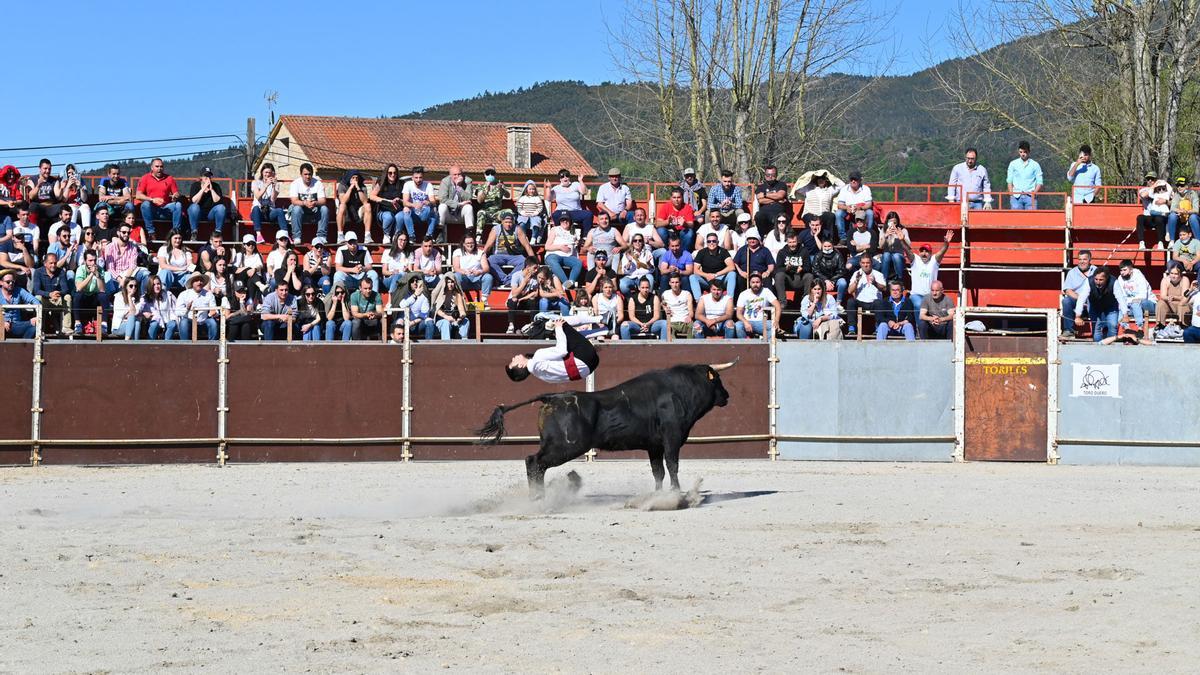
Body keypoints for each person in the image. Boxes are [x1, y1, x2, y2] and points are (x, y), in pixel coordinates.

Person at [505, 313, 603, 383]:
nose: (513, 358)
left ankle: (605, 330)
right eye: (513, 361)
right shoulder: (538, 357)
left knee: (568, 334)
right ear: (521, 365)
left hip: (590, 367)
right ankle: (600, 319)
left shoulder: (540, 375)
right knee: (558, 321)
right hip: (584, 357)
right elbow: (562, 350)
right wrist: (558, 327)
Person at [905, 230, 954, 315]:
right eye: (922, 251)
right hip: (916, 295)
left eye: (926, 251)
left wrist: (946, 244)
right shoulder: (915, 259)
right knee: (919, 305)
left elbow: (942, 252)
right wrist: (902, 240)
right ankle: (919, 327)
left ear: (931, 253)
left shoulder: (934, 260)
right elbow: (907, 250)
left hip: (931, 296)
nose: (924, 254)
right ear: (919, 252)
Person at [483, 212, 534, 288]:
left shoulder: (517, 229)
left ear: (513, 222)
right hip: (498, 255)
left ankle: (509, 279)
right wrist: (481, 257)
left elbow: (527, 245)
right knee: (489, 260)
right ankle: (506, 280)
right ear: (502, 222)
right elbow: (488, 245)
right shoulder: (496, 229)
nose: (508, 224)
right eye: (506, 222)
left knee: (524, 261)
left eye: (510, 222)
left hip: (514, 255)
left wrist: (534, 260)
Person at [135, 158, 183, 237]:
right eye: (157, 166)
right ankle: (151, 233)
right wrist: (152, 200)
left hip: (165, 209)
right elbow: (138, 195)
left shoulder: (169, 178)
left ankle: (176, 233)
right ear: (152, 167)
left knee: (178, 205)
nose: (159, 169)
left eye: (161, 167)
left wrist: (175, 196)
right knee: (145, 204)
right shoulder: (145, 178)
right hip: (151, 210)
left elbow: (176, 193)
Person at [102, 220, 149, 296]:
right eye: (124, 232)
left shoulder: (133, 247)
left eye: (128, 233)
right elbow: (110, 268)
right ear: (118, 233)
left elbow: (132, 265)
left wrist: (125, 279)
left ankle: (143, 297)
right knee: (107, 275)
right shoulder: (110, 247)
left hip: (129, 275)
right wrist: (120, 280)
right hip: (115, 277)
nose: (126, 234)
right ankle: (109, 301)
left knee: (145, 273)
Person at [1114, 259, 1156, 343]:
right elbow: (1121, 296)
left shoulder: (1138, 276)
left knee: (1135, 303)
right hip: (1131, 305)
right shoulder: (1120, 279)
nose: (1122, 272)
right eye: (1121, 270)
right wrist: (1126, 303)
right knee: (1120, 307)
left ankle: (1140, 328)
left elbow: (1143, 295)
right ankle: (1126, 328)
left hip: (1148, 303)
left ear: (1131, 269)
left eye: (1125, 270)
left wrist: (1130, 301)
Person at [691, 227, 737, 301]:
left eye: (714, 241)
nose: (711, 243)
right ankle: (698, 301)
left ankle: (730, 300)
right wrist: (707, 275)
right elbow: (695, 270)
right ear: (706, 243)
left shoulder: (723, 251)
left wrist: (716, 275)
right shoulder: (701, 252)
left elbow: (731, 267)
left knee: (732, 274)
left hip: (720, 279)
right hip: (707, 280)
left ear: (718, 242)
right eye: (709, 241)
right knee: (693, 277)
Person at [287, 163, 329, 244]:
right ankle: (296, 237)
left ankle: (321, 236)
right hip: (300, 213)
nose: (307, 176)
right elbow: (294, 201)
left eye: (309, 174)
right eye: (305, 174)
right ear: (301, 174)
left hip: (314, 211)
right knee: (296, 208)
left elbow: (323, 200)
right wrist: (304, 203)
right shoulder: (295, 184)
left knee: (324, 209)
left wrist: (315, 202)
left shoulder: (318, 183)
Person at [844, 255, 886, 335]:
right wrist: (856, 281)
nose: (865, 265)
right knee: (850, 301)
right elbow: (849, 291)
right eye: (863, 263)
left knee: (879, 303)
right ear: (860, 263)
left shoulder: (878, 274)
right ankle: (852, 328)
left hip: (874, 302)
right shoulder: (856, 274)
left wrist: (875, 283)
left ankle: (878, 328)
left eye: (867, 263)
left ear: (871, 263)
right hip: (860, 301)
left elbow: (884, 288)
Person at [32, 252, 72, 336]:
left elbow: (65, 289)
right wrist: (49, 294)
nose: (53, 265)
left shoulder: (61, 272)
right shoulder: (38, 272)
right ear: (45, 263)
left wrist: (58, 293)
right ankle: (40, 328)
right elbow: (36, 290)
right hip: (45, 299)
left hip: (57, 298)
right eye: (51, 263)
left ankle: (66, 327)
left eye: (55, 263)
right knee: (38, 298)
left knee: (68, 297)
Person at [774, 231, 813, 308]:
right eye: (790, 242)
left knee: (809, 276)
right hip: (789, 278)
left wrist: (802, 269)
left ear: (797, 241)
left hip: (800, 277)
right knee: (779, 275)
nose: (792, 244)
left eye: (794, 242)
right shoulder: (782, 252)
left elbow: (808, 267)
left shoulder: (804, 251)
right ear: (787, 242)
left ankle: (805, 302)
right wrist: (786, 269)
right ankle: (782, 302)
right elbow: (777, 269)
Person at [734, 272, 779, 339]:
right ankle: (744, 347)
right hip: (748, 321)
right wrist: (745, 322)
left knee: (772, 326)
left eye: (757, 282)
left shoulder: (766, 291)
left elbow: (778, 306)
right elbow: (738, 313)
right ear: (750, 283)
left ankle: (767, 347)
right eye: (753, 282)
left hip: (762, 322)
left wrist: (776, 321)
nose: (755, 284)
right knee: (738, 325)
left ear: (761, 283)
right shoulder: (743, 294)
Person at [250, 163, 287, 243]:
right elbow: (258, 196)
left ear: (272, 173)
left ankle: (285, 234)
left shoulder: (276, 185)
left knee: (279, 210)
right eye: (266, 172)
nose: (267, 174)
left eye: (269, 172)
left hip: (269, 212)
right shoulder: (255, 182)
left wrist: (273, 186)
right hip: (258, 212)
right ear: (262, 172)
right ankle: (259, 235)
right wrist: (266, 185)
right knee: (256, 208)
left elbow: (273, 200)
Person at [547, 169, 593, 234]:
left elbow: (584, 192)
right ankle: (560, 234)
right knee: (555, 215)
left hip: (575, 211)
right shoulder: (556, 188)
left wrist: (580, 180)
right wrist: (549, 188)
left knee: (588, 214)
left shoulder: (575, 185)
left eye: (567, 176)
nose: (565, 178)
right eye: (562, 176)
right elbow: (549, 199)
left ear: (569, 177)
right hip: (562, 211)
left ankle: (585, 237)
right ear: (560, 179)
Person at [1061, 249, 1095, 337]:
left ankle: (1097, 330)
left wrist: (1087, 299)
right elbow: (1067, 290)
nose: (1082, 262)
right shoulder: (1072, 272)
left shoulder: (1096, 271)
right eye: (1080, 259)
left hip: (1091, 299)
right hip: (1076, 298)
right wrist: (1081, 299)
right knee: (1066, 301)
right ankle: (1069, 330)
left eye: (1084, 259)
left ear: (1089, 260)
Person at [25, 159, 66, 231]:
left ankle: (61, 232)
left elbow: (58, 197)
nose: (47, 171)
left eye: (49, 169)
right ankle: (33, 231)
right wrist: (38, 185)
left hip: (51, 207)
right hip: (39, 206)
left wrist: (62, 188)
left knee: (63, 206)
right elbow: (31, 196)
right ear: (40, 169)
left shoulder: (54, 180)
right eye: (45, 168)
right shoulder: (32, 179)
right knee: (33, 206)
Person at [186, 169, 228, 240]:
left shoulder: (216, 186)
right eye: (205, 176)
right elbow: (194, 201)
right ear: (201, 177)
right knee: (194, 207)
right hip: (198, 213)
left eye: (209, 176)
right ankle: (194, 232)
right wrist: (203, 189)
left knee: (221, 208)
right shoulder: (195, 185)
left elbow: (218, 201)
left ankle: (218, 233)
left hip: (210, 214)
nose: (208, 178)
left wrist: (212, 190)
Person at [544, 213, 583, 288]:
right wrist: (560, 247)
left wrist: (578, 243)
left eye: (567, 220)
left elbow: (577, 245)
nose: (565, 222)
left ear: (570, 221)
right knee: (553, 261)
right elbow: (547, 247)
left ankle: (570, 282)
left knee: (578, 263)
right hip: (554, 254)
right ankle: (566, 284)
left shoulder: (574, 232)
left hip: (568, 256)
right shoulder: (555, 229)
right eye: (562, 220)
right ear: (560, 222)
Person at [1082, 267, 1120, 343]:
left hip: (1111, 306)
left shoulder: (1114, 282)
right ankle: (1097, 349)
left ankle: (1111, 349)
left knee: (1113, 325)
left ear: (1106, 278)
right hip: (1095, 306)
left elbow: (1120, 298)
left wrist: (1125, 314)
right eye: (1096, 279)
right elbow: (1081, 298)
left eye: (1101, 280)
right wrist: (1078, 315)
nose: (1098, 282)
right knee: (1096, 328)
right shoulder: (1089, 281)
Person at [452, 234, 493, 305]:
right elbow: (456, 268)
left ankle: (484, 300)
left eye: (472, 243)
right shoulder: (457, 252)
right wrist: (464, 272)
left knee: (488, 277)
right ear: (464, 244)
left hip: (477, 279)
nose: (470, 245)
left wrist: (479, 272)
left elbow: (486, 268)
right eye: (468, 243)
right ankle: (458, 299)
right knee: (456, 275)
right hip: (464, 279)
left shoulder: (480, 252)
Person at [176, 273, 219, 340]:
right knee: (183, 322)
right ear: (192, 283)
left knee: (212, 322)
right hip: (189, 321)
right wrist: (187, 308)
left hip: (203, 322)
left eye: (201, 280)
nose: (199, 282)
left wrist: (214, 313)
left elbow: (214, 310)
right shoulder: (184, 294)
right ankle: (184, 346)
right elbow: (177, 312)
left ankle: (212, 346)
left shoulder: (209, 294)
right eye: (196, 281)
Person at [334, 170, 373, 244]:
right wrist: (351, 188)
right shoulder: (342, 185)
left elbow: (365, 201)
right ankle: (340, 235)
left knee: (368, 206)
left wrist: (358, 188)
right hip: (346, 210)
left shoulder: (362, 186)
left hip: (358, 209)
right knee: (342, 206)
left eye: (356, 178)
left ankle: (367, 235)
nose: (355, 180)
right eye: (353, 178)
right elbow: (343, 201)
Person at [401, 166, 439, 241]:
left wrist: (429, 203)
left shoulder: (428, 185)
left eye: (420, 177)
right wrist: (414, 205)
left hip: (425, 212)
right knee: (406, 211)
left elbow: (433, 201)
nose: (418, 180)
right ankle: (411, 236)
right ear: (412, 178)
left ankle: (429, 235)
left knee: (434, 212)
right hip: (413, 212)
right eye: (416, 177)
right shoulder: (408, 185)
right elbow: (405, 202)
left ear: (423, 177)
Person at [73, 250, 105, 334]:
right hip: (83, 298)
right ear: (85, 261)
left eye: (94, 260)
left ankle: (104, 324)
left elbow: (102, 290)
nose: (93, 263)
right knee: (77, 295)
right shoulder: (81, 269)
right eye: (90, 260)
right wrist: (91, 274)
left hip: (94, 298)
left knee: (103, 296)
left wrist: (97, 275)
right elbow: (79, 287)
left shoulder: (100, 270)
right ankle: (77, 324)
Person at [834, 171, 873, 242]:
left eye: (855, 179)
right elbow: (839, 205)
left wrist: (860, 208)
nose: (853, 181)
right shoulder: (844, 189)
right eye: (851, 179)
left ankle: (869, 233)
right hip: (848, 210)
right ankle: (843, 237)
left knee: (870, 213)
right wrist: (846, 208)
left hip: (862, 210)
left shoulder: (865, 188)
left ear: (860, 180)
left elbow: (869, 204)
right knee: (838, 213)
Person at [732, 230, 775, 295]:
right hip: (746, 275)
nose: (752, 241)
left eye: (754, 239)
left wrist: (767, 272)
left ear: (758, 239)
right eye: (750, 239)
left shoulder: (765, 250)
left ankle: (768, 301)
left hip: (761, 275)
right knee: (740, 280)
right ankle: (741, 301)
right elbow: (735, 263)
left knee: (767, 280)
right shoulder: (743, 249)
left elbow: (771, 265)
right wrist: (741, 272)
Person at [436, 165, 475, 235]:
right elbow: (442, 199)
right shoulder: (445, 181)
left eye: (459, 174)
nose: (457, 176)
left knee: (469, 207)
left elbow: (468, 198)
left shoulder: (468, 181)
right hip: (448, 213)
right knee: (442, 207)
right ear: (450, 175)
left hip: (461, 213)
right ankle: (439, 234)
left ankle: (469, 234)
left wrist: (459, 187)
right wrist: (458, 204)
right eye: (455, 174)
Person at [0, 269, 38, 338]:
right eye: (8, 282)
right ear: (1, 282)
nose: (11, 284)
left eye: (13, 282)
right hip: (2, 326)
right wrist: (2, 322)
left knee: (34, 328)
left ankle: (23, 347)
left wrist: (37, 317)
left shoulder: (19, 290)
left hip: (17, 325)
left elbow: (34, 300)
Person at [655, 187, 696, 251]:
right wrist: (667, 221)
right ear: (671, 198)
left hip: (682, 232)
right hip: (669, 232)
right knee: (661, 230)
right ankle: (667, 251)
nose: (676, 199)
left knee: (689, 233)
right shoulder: (666, 206)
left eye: (678, 197)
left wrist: (685, 224)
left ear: (682, 198)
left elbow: (691, 225)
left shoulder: (687, 208)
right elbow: (657, 224)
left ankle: (684, 254)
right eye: (674, 197)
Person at [139, 275, 179, 340]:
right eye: (154, 285)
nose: (157, 286)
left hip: (167, 320)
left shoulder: (168, 294)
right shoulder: (145, 298)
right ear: (150, 286)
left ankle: (167, 345)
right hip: (152, 323)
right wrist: (144, 314)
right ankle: (149, 345)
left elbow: (177, 307)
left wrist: (174, 318)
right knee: (154, 324)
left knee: (172, 324)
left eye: (158, 284)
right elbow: (138, 310)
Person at [1006, 140, 1043, 210]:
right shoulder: (1013, 164)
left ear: (1029, 151)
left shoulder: (1035, 165)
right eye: (1021, 152)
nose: (1023, 154)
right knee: (1016, 219)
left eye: (1025, 152)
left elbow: (1039, 182)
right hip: (1016, 196)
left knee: (1031, 219)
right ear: (1018, 152)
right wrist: (1011, 193)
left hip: (1030, 196)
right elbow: (1009, 180)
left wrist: (1035, 192)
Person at [1136, 176, 1171, 248]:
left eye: (1152, 179)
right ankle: (1141, 242)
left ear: (1156, 180)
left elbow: (1173, 200)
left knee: (1159, 218)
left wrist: (1166, 201)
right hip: (1149, 217)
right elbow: (1143, 195)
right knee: (1140, 217)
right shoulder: (1144, 190)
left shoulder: (1163, 190)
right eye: (1148, 179)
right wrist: (1154, 186)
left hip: (1160, 219)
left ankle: (1160, 242)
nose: (1150, 181)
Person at [753, 165, 790, 235]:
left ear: (776, 175)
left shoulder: (781, 184)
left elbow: (780, 195)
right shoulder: (760, 186)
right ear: (765, 175)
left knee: (778, 218)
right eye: (768, 175)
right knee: (758, 216)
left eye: (773, 175)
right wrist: (776, 199)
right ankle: (762, 236)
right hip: (764, 213)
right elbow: (760, 200)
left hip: (778, 212)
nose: (770, 177)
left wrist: (764, 195)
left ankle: (777, 237)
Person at [432, 274, 470, 340]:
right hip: (441, 320)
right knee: (445, 323)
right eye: (448, 282)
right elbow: (437, 310)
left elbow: (462, 311)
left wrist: (460, 318)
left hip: (455, 320)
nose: (450, 284)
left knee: (466, 320)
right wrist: (446, 317)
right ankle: (447, 345)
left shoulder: (457, 294)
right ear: (445, 283)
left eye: (452, 282)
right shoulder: (440, 294)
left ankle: (464, 342)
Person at [812, 238, 848, 305]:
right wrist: (826, 280)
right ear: (822, 246)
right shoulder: (817, 255)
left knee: (843, 282)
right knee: (815, 281)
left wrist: (832, 281)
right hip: (822, 279)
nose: (827, 248)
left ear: (832, 246)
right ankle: (818, 302)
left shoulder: (838, 255)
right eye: (825, 246)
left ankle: (838, 303)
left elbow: (841, 271)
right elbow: (815, 270)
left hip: (835, 279)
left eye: (829, 246)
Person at [474, 168, 510, 234]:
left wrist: (502, 190)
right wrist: (486, 191)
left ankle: (509, 236)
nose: (490, 175)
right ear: (484, 175)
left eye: (492, 173)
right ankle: (478, 236)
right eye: (488, 173)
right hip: (486, 213)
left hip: (497, 213)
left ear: (495, 174)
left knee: (509, 212)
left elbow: (508, 195)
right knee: (480, 213)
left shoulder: (500, 183)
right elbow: (479, 201)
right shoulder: (481, 186)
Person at [877, 211, 910, 283]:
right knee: (886, 254)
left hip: (899, 256)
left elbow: (909, 246)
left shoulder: (902, 230)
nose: (893, 225)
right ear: (887, 222)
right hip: (887, 257)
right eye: (890, 223)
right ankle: (883, 280)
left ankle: (899, 280)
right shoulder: (883, 230)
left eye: (895, 223)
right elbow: (881, 246)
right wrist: (885, 235)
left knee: (896, 256)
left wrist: (902, 238)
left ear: (897, 222)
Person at [1156, 265, 1191, 329]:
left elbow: (1184, 297)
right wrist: (1168, 298)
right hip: (1170, 304)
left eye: (1176, 274)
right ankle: (1160, 325)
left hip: (1181, 304)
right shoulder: (1165, 280)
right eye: (1171, 273)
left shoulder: (1184, 280)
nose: (1173, 276)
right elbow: (1163, 296)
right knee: (1160, 303)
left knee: (1183, 305)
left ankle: (1183, 325)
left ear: (1180, 274)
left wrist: (1174, 297)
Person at [660, 273, 694, 339]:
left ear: (680, 283)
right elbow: (662, 303)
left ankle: (690, 347)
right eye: (672, 282)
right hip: (672, 322)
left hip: (685, 321)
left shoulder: (687, 294)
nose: (675, 285)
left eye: (676, 282)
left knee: (693, 327)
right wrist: (665, 309)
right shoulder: (665, 294)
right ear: (669, 283)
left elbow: (691, 311)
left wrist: (689, 317)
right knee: (668, 328)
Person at [1166, 177, 1199, 245]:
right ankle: (1172, 241)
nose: (1179, 187)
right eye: (1178, 185)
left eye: (1182, 185)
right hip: (1180, 218)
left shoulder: (1193, 194)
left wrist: (1186, 211)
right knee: (1172, 216)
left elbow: (1196, 210)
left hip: (1191, 218)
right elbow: (1172, 208)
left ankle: (1198, 242)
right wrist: (1179, 210)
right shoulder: (1176, 195)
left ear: (1186, 186)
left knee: (1193, 217)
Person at [60, 164, 91, 230]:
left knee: (86, 206)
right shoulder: (64, 182)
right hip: (69, 206)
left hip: (79, 205)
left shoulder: (80, 181)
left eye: (73, 173)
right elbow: (64, 199)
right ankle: (71, 231)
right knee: (73, 208)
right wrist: (68, 186)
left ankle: (87, 231)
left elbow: (84, 199)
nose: (71, 175)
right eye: (69, 173)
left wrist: (80, 187)